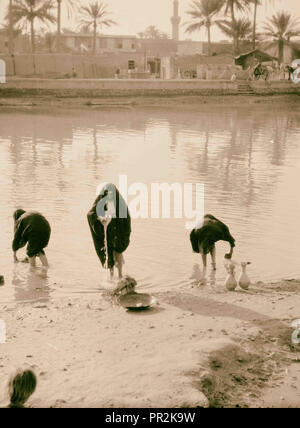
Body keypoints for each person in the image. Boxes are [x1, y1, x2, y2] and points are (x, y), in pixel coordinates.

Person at [87, 183, 131, 279]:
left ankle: (120, 275)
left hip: (118, 233)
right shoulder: (100, 202)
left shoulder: (121, 205)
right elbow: (90, 214)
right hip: (107, 233)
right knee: (109, 254)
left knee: (118, 252)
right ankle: (111, 277)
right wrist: (99, 218)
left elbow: (126, 222)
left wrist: (122, 237)